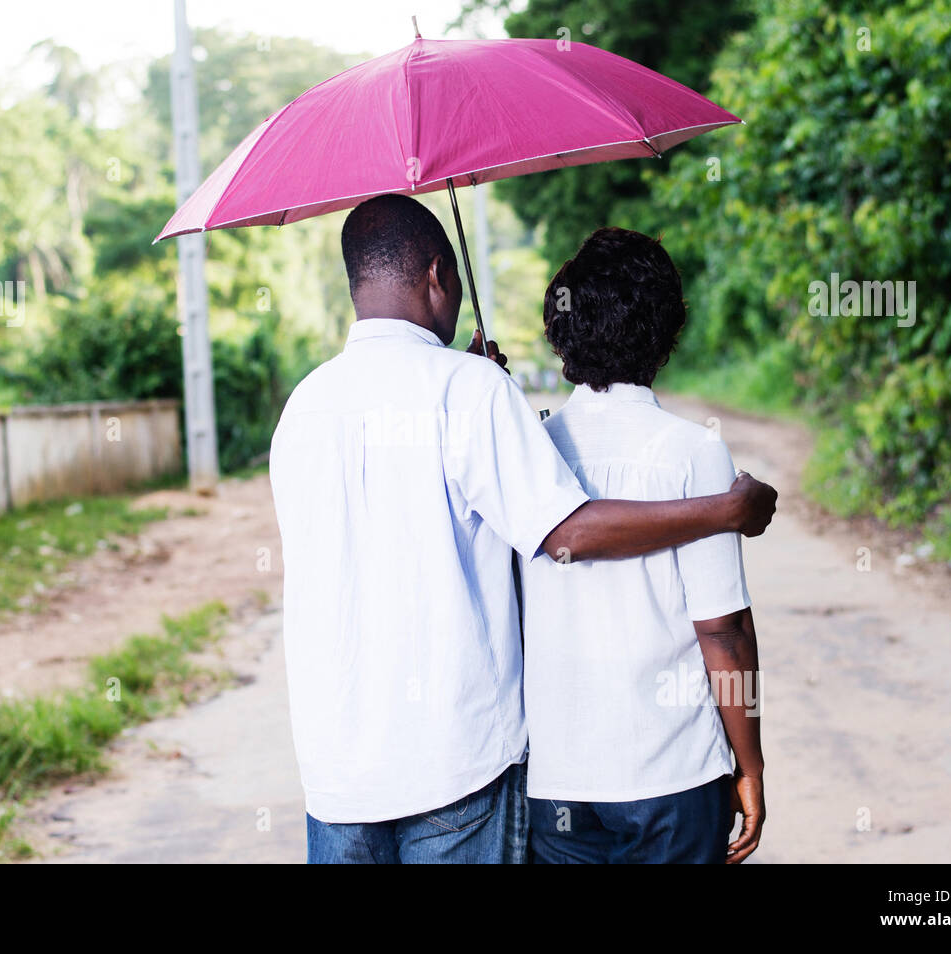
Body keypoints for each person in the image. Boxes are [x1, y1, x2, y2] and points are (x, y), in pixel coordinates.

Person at [268, 196, 776, 864]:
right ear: (438, 277)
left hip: (356, 778)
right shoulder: (477, 396)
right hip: (491, 772)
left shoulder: (303, 408)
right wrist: (723, 509)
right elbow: (581, 542)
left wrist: (487, 392)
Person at [521, 227, 765, 864]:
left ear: (561, 329)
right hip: (672, 778)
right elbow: (724, 633)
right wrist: (750, 762)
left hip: (556, 784)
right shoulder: (693, 452)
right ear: (666, 331)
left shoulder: (527, 453)